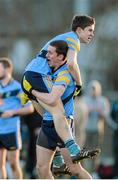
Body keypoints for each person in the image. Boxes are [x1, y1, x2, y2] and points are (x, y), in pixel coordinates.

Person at [22, 14, 95, 161]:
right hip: (36, 75)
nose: (92, 34)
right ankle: (74, 149)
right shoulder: (73, 39)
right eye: (90, 30)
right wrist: (80, 83)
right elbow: (71, 64)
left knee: (48, 116)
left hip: (30, 76)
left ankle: (56, 157)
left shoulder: (65, 37)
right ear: (79, 30)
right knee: (59, 112)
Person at [33, 40, 100, 179]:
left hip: (63, 125)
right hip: (47, 125)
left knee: (75, 169)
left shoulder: (65, 75)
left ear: (61, 57)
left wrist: (32, 91)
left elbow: (51, 99)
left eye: (51, 53)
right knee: (42, 168)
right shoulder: (48, 71)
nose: (47, 56)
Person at [0, 57, 34, 179]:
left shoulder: (18, 87)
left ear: (8, 69)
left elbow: (30, 108)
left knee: (13, 163)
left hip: (11, 130)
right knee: (0, 164)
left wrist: (12, 112)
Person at [83, 80, 110, 172]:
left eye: (95, 89)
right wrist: (88, 111)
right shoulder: (85, 100)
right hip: (86, 129)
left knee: (96, 151)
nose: (93, 91)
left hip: (97, 130)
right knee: (84, 150)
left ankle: (94, 171)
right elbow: (81, 114)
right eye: (92, 88)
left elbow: (106, 115)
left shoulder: (103, 101)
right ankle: (84, 170)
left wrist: (100, 112)